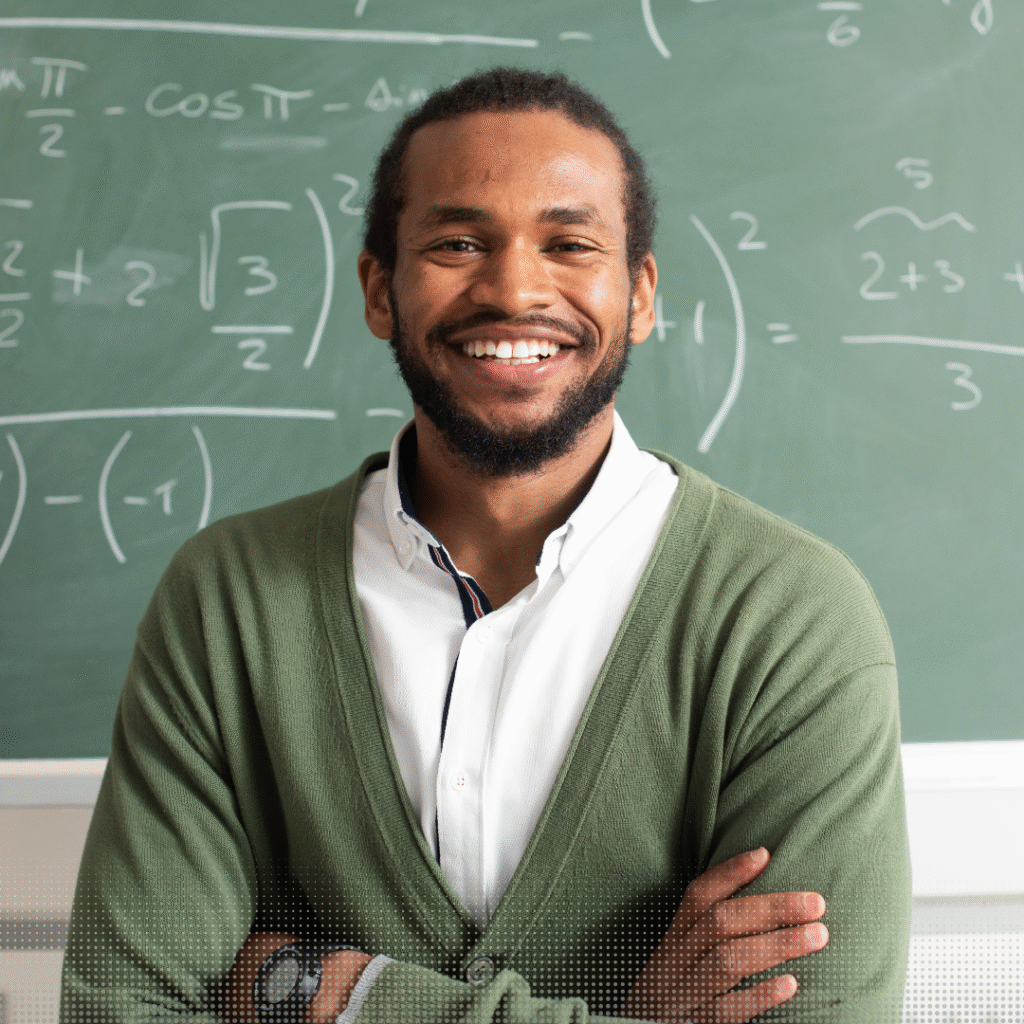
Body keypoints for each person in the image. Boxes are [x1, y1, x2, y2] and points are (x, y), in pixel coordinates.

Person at [60, 68, 911, 1024]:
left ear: (639, 296)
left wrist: (336, 997)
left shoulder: (790, 617)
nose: (513, 287)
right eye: (459, 241)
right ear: (382, 292)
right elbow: (123, 1008)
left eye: (569, 243)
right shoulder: (227, 600)